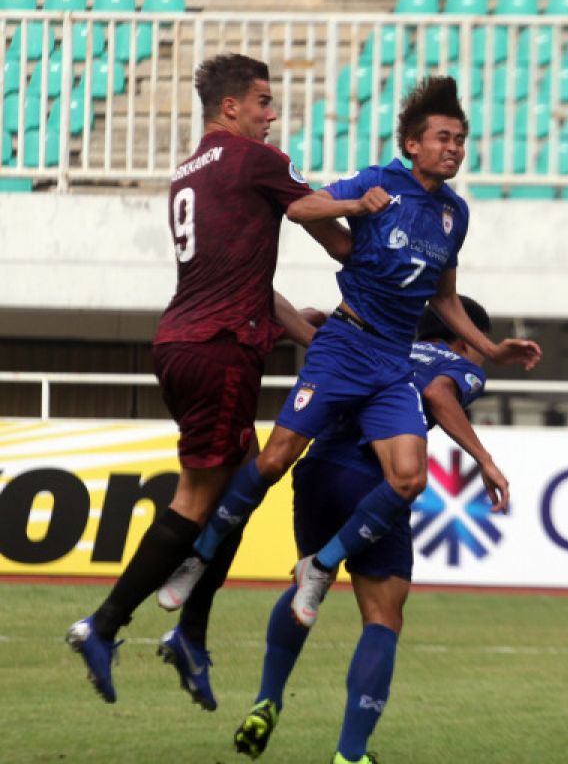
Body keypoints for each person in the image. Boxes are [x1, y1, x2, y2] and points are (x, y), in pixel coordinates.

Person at [157, 75, 540, 633]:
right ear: (413, 144)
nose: (454, 148)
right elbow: (301, 209)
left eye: (460, 139)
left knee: (410, 478)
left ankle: (321, 564)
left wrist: (492, 350)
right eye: (443, 137)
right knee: (274, 459)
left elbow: (445, 296)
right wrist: (356, 203)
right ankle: (199, 558)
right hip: (344, 344)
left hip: (392, 362)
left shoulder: (455, 214)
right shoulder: (380, 180)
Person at [66, 53, 354, 709]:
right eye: (262, 102)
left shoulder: (189, 172)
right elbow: (330, 232)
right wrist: (364, 206)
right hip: (220, 350)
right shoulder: (257, 160)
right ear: (231, 107)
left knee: (240, 487)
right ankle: (104, 625)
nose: (271, 115)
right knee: (199, 499)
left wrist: (309, 334)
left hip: (184, 341)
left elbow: (242, 276)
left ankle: (190, 632)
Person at [231, 297, 505, 764]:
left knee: (306, 586)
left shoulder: (382, 347)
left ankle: (266, 700)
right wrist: (485, 459)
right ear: (463, 339)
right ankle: (350, 754)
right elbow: (440, 394)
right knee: (382, 616)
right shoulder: (459, 364)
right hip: (376, 481)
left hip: (317, 469)